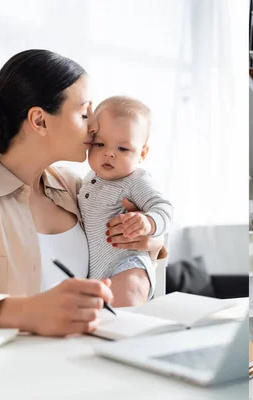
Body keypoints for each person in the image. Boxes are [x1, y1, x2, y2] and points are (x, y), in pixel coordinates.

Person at [0, 49, 166, 336]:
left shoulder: (79, 188)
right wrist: (25, 312)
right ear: (39, 121)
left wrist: (148, 240)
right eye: (85, 113)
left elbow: (139, 253)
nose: (95, 125)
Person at [80, 96, 173, 306]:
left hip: (128, 264)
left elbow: (164, 208)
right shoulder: (88, 179)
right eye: (100, 144)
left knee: (126, 306)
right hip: (96, 272)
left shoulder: (136, 181)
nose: (109, 153)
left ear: (142, 153)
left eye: (123, 149)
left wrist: (149, 222)